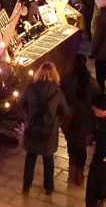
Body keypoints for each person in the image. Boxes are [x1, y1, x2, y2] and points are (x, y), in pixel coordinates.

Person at [20, 62, 70, 195]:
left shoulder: (30, 88)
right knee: (48, 160)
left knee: (30, 157)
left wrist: (27, 118)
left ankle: (26, 186)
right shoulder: (57, 92)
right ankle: (49, 187)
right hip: (49, 131)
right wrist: (57, 122)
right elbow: (65, 111)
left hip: (32, 128)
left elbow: (22, 104)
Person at [61, 55, 100, 186]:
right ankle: (79, 174)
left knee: (71, 146)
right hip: (86, 122)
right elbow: (97, 100)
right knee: (82, 148)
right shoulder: (92, 83)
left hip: (70, 120)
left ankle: (72, 169)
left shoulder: (66, 81)